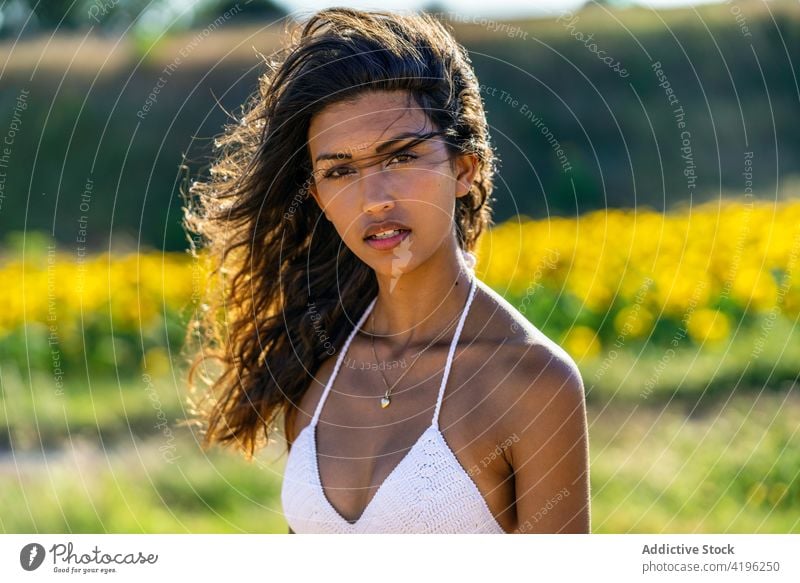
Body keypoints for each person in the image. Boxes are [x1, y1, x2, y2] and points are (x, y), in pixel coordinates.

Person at [181, 7, 590, 534]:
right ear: (319, 197)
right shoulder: (315, 361)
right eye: (341, 171)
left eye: (400, 157)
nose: (373, 200)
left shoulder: (532, 383)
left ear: (464, 168)